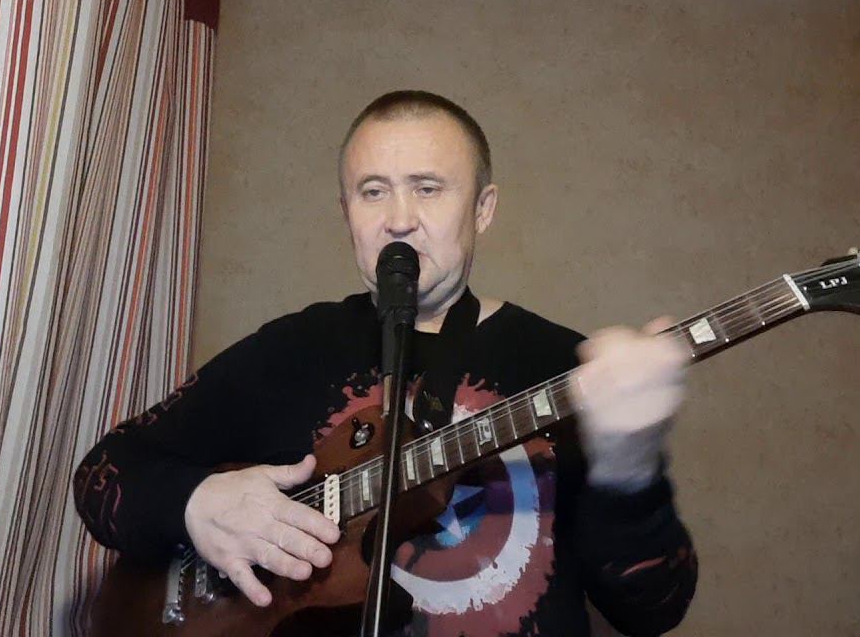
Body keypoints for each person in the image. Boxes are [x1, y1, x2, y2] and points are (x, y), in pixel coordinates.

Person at [73, 90, 698, 636]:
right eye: (373, 192)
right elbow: (103, 473)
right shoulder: (292, 347)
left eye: (428, 188)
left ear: (482, 210)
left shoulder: (566, 364)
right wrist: (196, 503)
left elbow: (653, 610)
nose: (399, 220)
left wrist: (631, 464)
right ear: (347, 211)